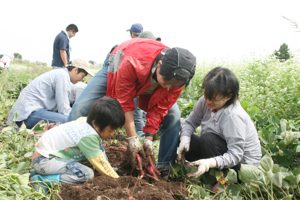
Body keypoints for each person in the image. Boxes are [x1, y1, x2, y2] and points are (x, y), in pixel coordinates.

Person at [67, 38, 196, 175]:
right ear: (159, 65)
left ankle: (164, 167)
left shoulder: (178, 79)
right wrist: (132, 138)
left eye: (175, 84)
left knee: (173, 116)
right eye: (167, 81)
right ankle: (65, 153)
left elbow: (160, 108)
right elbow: (124, 100)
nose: (170, 87)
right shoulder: (133, 61)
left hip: (145, 74)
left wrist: (148, 139)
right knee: (81, 107)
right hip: (118, 63)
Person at [177, 67, 262, 190]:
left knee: (208, 139)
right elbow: (190, 122)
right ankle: (205, 170)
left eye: (214, 98)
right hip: (219, 150)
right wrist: (185, 139)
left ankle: (226, 180)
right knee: (184, 140)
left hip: (242, 166)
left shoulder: (233, 116)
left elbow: (235, 154)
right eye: (206, 95)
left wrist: (209, 163)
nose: (208, 101)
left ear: (228, 96)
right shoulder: (205, 101)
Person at [30, 97, 125, 192]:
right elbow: (100, 163)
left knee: (85, 163)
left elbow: (100, 153)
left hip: (42, 156)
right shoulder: (88, 137)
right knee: (86, 174)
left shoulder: (85, 122)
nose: (112, 134)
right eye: (110, 130)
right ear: (95, 124)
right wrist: (117, 180)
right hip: (44, 160)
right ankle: (43, 181)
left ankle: (44, 172)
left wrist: (110, 170)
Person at [8, 58, 93, 129]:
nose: (81, 79)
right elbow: (63, 108)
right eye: (82, 76)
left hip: (32, 113)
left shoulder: (61, 74)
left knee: (70, 121)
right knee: (70, 122)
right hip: (27, 116)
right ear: (75, 69)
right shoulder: (62, 75)